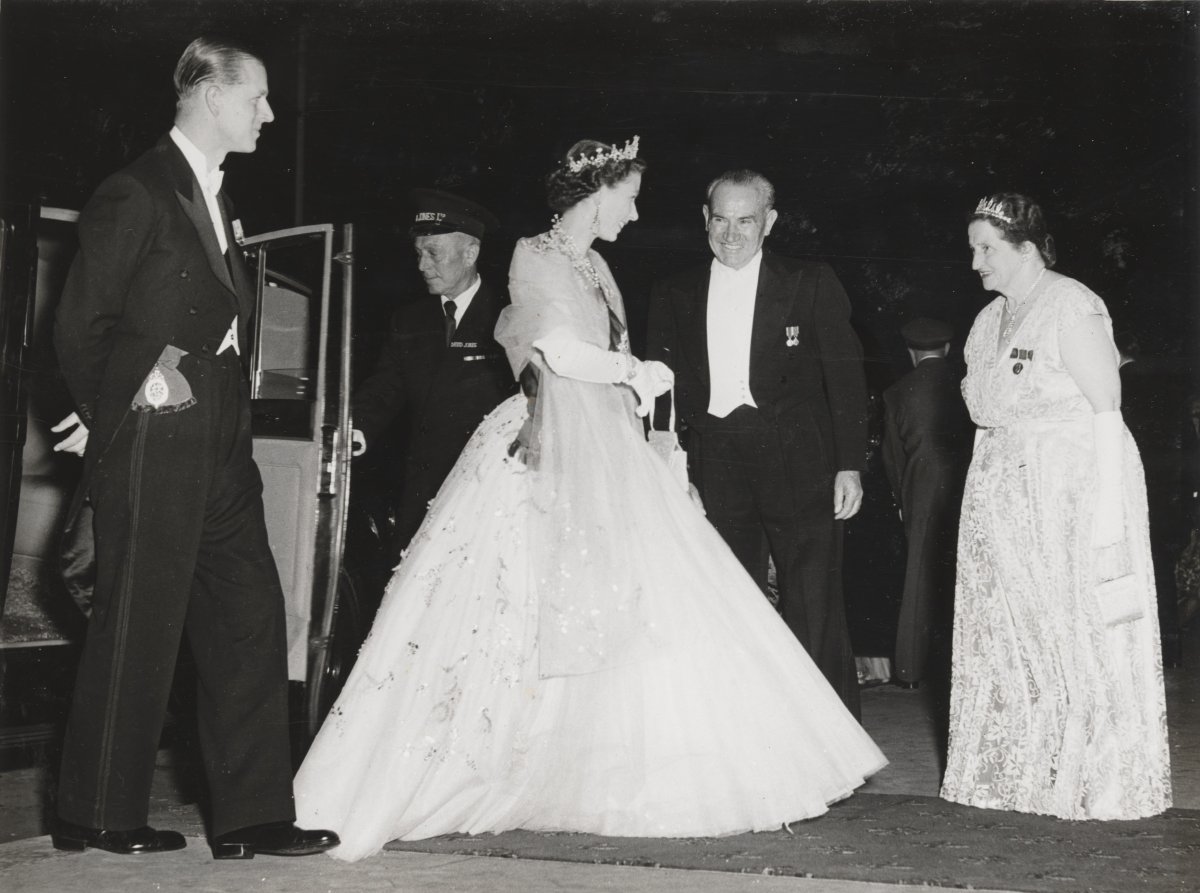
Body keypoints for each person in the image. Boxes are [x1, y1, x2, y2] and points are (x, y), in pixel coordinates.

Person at [293, 138, 885, 861]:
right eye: (630, 196)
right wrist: (634, 369)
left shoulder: (600, 265)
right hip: (546, 447)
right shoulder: (532, 256)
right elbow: (559, 353)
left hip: (607, 446)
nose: (636, 213)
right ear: (597, 193)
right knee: (521, 609)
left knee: (622, 601)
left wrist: (656, 432)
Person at [51, 37, 338, 858]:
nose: (270, 114)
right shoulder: (136, 190)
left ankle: (252, 817)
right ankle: (95, 812)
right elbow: (81, 323)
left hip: (219, 436)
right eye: (259, 98)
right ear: (212, 96)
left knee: (249, 616)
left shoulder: (214, 199)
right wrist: (114, 405)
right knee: (140, 621)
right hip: (155, 433)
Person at [940, 192, 1171, 819]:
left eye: (986, 249)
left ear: (1027, 248)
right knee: (1019, 625)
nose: (975, 263)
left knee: (1079, 622)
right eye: (972, 249)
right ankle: (1030, 772)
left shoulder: (1070, 304)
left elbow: (1106, 410)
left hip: (1071, 485)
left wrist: (1107, 517)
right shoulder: (988, 321)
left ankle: (1099, 779)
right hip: (1001, 489)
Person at [646, 170, 868, 717]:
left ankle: (829, 731)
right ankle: (744, 726)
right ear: (705, 219)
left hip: (800, 458)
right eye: (720, 219)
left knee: (811, 595)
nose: (731, 234)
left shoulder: (808, 280)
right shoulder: (673, 290)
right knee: (726, 592)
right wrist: (669, 463)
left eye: (745, 220)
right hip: (715, 457)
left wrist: (849, 464)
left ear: (768, 222)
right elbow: (659, 386)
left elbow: (846, 379)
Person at [351, 190, 517, 556]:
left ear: (470, 253)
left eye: (434, 254)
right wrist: (357, 426)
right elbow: (386, 385)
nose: (422, 265)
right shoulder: (409, 319)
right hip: (424, 486)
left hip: (486, 486)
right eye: (419, 253)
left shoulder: (509, 314)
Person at [880, 317, 973, 690]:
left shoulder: (897, 392)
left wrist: (903, 497)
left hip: (919, 486)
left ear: (911, 351)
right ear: (948, 349)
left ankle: (912, 669)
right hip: (965, 483)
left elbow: (892, 455)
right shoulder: (965, 385)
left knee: (919, 573)